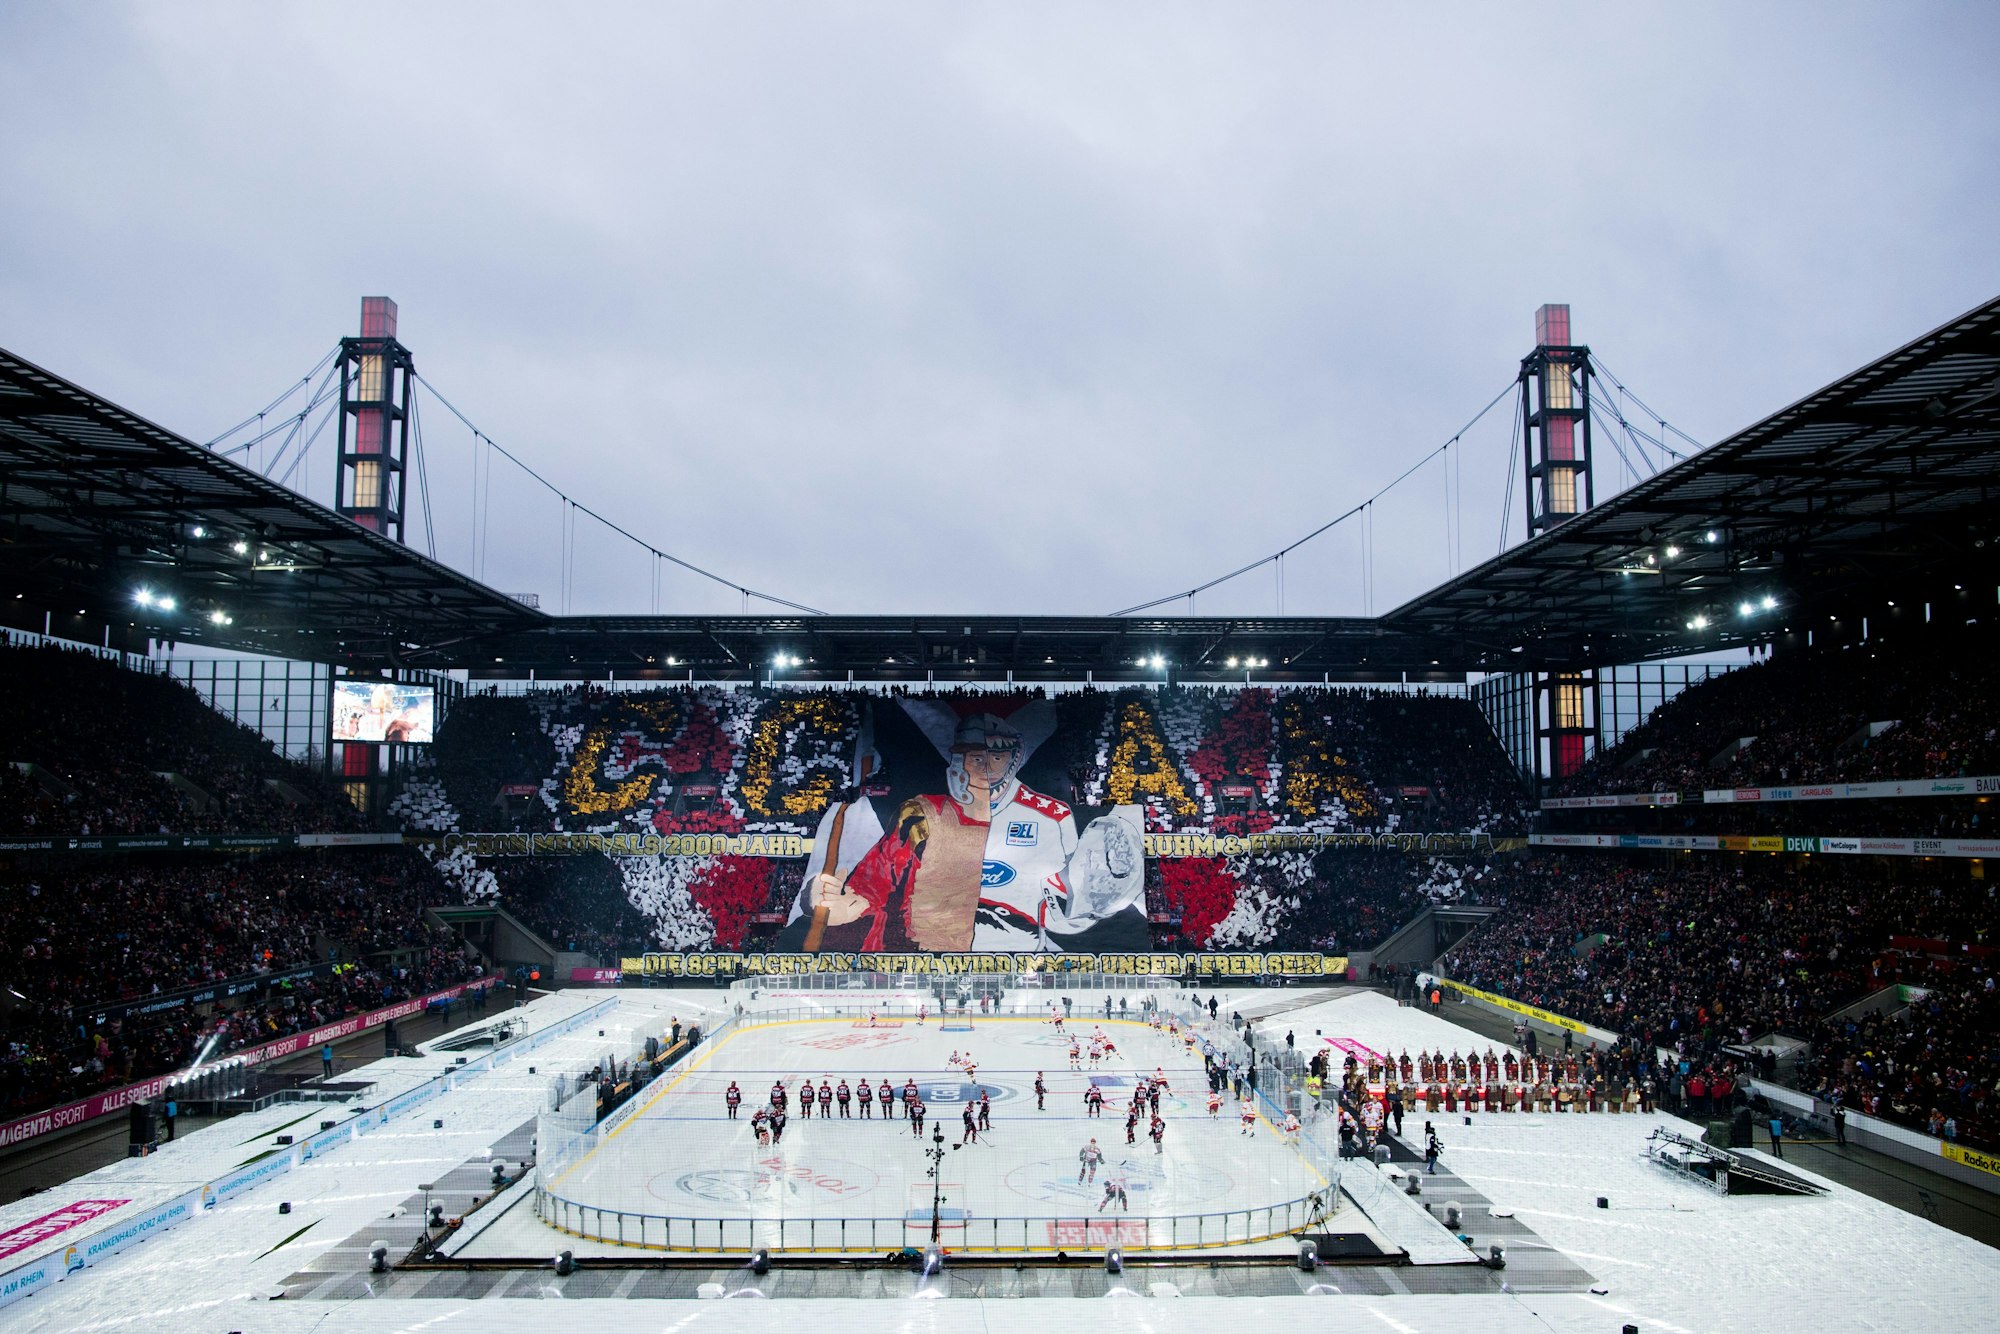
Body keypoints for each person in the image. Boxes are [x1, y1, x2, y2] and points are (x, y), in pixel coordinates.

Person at [799, 713, 1146, 951]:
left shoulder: (1053, 815)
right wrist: (824, 901)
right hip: (928, 955)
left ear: (1014, 757)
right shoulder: (921, 812)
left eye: (996, 757)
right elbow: (873, 884)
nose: (986, 767)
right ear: (959, 760)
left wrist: (1093, 900)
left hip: (1020, 957)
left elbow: (1066, 903)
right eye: (975, 757)